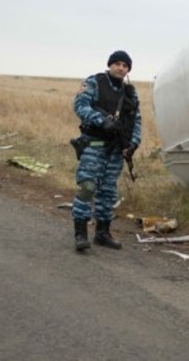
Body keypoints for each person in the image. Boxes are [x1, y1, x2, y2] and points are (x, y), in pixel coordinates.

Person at [71, 50, 141, 251]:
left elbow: (136, 119)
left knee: (108, 192)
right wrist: (102, 121)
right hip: (94, 145)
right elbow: (80, 106)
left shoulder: (130, 92)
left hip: (116, 150)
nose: (121, 68)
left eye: (125, 65)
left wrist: (134, 142)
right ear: (110, 65)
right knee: (88, 188)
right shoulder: (94, 82)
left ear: (128, 69)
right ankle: (81, 234)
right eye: (117, 63)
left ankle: (102, 233)